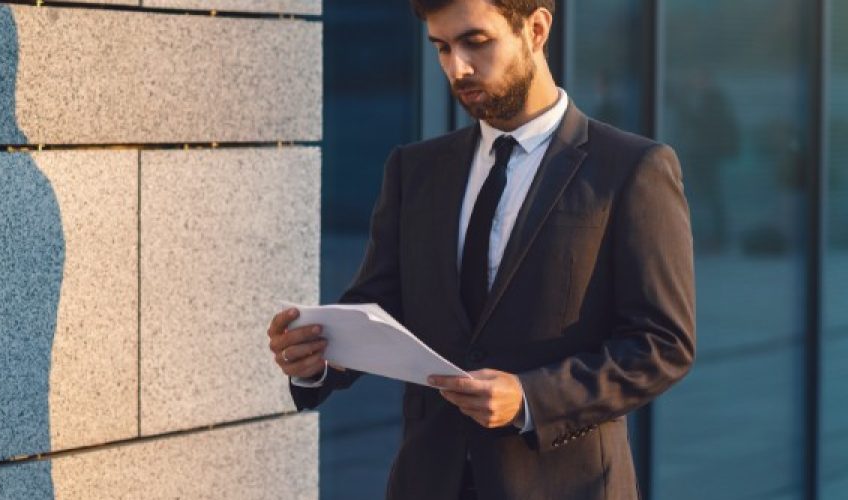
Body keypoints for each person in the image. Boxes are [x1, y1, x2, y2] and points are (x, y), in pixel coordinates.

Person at [266, 0, 695, 498]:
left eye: (476, 42)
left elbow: (662, 344)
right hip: (429, 481)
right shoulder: (414, 169)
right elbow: (379, 308)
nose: (457, 67)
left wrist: (531, 397)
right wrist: (318, 354)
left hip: (563, 484)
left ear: (535, 29)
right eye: (443, 48)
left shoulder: (631, 168)